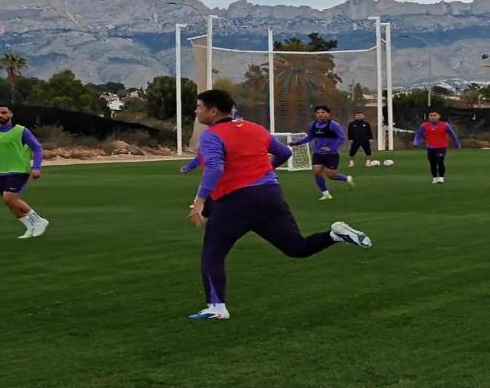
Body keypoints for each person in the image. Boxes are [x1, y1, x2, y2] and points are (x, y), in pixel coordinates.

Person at [187, 90, 372, 320]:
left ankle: (217, 307)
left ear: (213, 111)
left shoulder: (211, 135)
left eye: (199, 107)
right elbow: (284, 152)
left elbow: (215, 168)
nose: (196, 111)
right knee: (297, 248)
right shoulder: (255, 128)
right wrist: (264, 171)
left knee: (212, 254)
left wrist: (200, 201)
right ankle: (334, 235)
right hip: (269, 195)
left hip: (236, 201)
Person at [0, 104, 49, 238]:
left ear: (10, 114)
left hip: (19, 170)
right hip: (2, 172)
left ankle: (39, 221)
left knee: (9, 198)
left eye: (4, 112)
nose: (0, 115)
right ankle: (30, 226)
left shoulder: (21, 131)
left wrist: (36, 167)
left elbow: (37, 148)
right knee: (9, 202)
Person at [289, 105, 354, 201]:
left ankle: (347, 178)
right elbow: (309, 137)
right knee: (316, 172)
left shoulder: (334, 125)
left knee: (331, 175)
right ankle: (326, 194)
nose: (320, 114)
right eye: (318, 113)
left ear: (328, 114)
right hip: (318, 153)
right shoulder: (312, 125)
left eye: (323, 112)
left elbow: (342, 138)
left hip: (332, 154)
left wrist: (331, 148)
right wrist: (296, 143)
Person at [413, 109, 461, 184]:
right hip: (430, 148)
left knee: (440, 161)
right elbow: (419, 134)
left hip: (441, 147)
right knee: (432, 163)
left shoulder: (445, 125)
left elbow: (452, 135)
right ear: (429, 117)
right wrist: (416, 143)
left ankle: (441, 177)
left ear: (439, 116)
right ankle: (435, 177)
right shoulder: (424, 125)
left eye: (435, 115)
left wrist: (457, 143)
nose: (433, 117)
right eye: (431, 116)